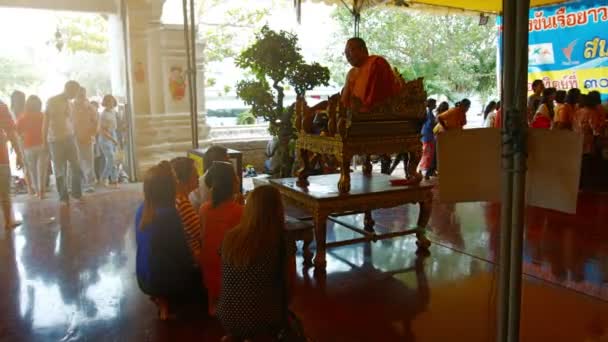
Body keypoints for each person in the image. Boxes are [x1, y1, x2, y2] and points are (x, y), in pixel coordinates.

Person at [217, 185, 296, 341]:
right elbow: (290, 284)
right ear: (278, 209)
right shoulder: (281, 239)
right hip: (263, 318)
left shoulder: (230, 236)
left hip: (227, 314)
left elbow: (227, 275)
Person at [135, 161, 201, 320]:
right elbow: (183, 254)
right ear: (169, 188)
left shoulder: (142, 209)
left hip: (143, 278)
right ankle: (168, 298)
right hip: (164, 281)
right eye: (174, 181)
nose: (177, 183)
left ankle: (161, 298)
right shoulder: (169, 215)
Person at [200, 161, 244, 316]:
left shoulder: (204, 208)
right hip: (229, 274)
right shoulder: (240, 212)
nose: (238, 179)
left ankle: (212, 303)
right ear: (231, 183)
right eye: (235, 177)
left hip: (208, 272)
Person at [43, 80, 82, 204]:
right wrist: (44, 141)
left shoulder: (70, 104)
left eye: (76, 93)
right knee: (60, 170)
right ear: (67, 89)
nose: (75, 96)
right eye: (74, 93)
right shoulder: (52, 101)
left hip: (70, 138)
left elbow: (70, 120)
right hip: (55, 141)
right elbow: (45, 121)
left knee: (76, 166)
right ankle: (63, 197)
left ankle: (76, 193)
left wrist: (75, 133)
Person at [340, 37, 402, 111]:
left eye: (350, 50)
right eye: (346, 53)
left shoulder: (377, 63)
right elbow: (344, 103)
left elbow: (377, 97)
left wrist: (361, 109)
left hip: (378, 115)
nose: (347, 55)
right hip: (356, 116)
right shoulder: (351, 73)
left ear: (363, 50)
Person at [16, 95, 48, 199]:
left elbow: (17, 131)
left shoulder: (23, 117)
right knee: (42, 170)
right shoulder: (43, 116)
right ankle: (41, 191)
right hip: (42, 144)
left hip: (28, 146)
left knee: (32, 170)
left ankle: (37, 191)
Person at [171, 157, 202, 260]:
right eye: (194, 174)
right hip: (193, 258)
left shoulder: (177, 198)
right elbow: (200, 234)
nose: (198, 176)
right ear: (184, 178)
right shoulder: (182, 203)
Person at [1, 100, 24, 229]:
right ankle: (8, 221)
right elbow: (11, 133)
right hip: (1, 158)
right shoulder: (1, 107)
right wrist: (19, 156)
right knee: (4, 192)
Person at [188, 145, 232, 209]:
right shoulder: (206, 181)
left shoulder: (215, 177)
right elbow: (209, 209)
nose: (230, 163)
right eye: (227, 160)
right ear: (218, 163)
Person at [72, 87, 98, 192]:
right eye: (79, 94)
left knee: (88, 162)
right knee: (74, 163)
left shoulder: (90, 108)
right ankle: (74, 185)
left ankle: (89, 184)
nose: (81, 96)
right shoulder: (70, 107)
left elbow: (96, 122)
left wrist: (92, 134)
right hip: (74, 139)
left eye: (83, 94)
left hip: (87, 138)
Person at [98, 95, 120, 188]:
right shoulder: (103, 115)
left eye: (112, 101)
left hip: (113, 134)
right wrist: (113, 139)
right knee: (110, 158)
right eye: (109, 101)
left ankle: (114, 181)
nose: (111, 103)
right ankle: (104, 178)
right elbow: (102, 130)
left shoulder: (113, 112)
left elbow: (115, 126)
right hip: (105, 137)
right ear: (105, 102)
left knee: (114, 159)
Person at [418, 98, 437, 180]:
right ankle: (425, 172)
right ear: (431, 105)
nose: (436, 105)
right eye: (434, 104)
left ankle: (422, 170)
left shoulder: (426, 112)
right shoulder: (429, 113)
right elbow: (430, 125)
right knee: (428, 155)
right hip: (428, 136)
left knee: (426, 154)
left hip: (425, 135)